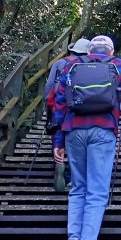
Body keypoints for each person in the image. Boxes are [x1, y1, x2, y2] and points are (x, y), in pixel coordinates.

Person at [51, 34, 121, 240]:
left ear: (89, 51)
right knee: (97, 191)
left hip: (74, 131)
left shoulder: (71, 66)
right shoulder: (120, 66)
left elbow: (59, 104)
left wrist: (57, 141)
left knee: (78, 187)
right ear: (110, 50)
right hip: (103, 131)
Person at [45, 37, 90, 192]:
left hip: (57, 102)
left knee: (57, 133)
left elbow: (49, 84)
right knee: (74, 137)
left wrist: (48, 105)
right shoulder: (87, 65)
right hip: (76, 107)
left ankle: (58, 165)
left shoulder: (60, 63)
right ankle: (72, 174)